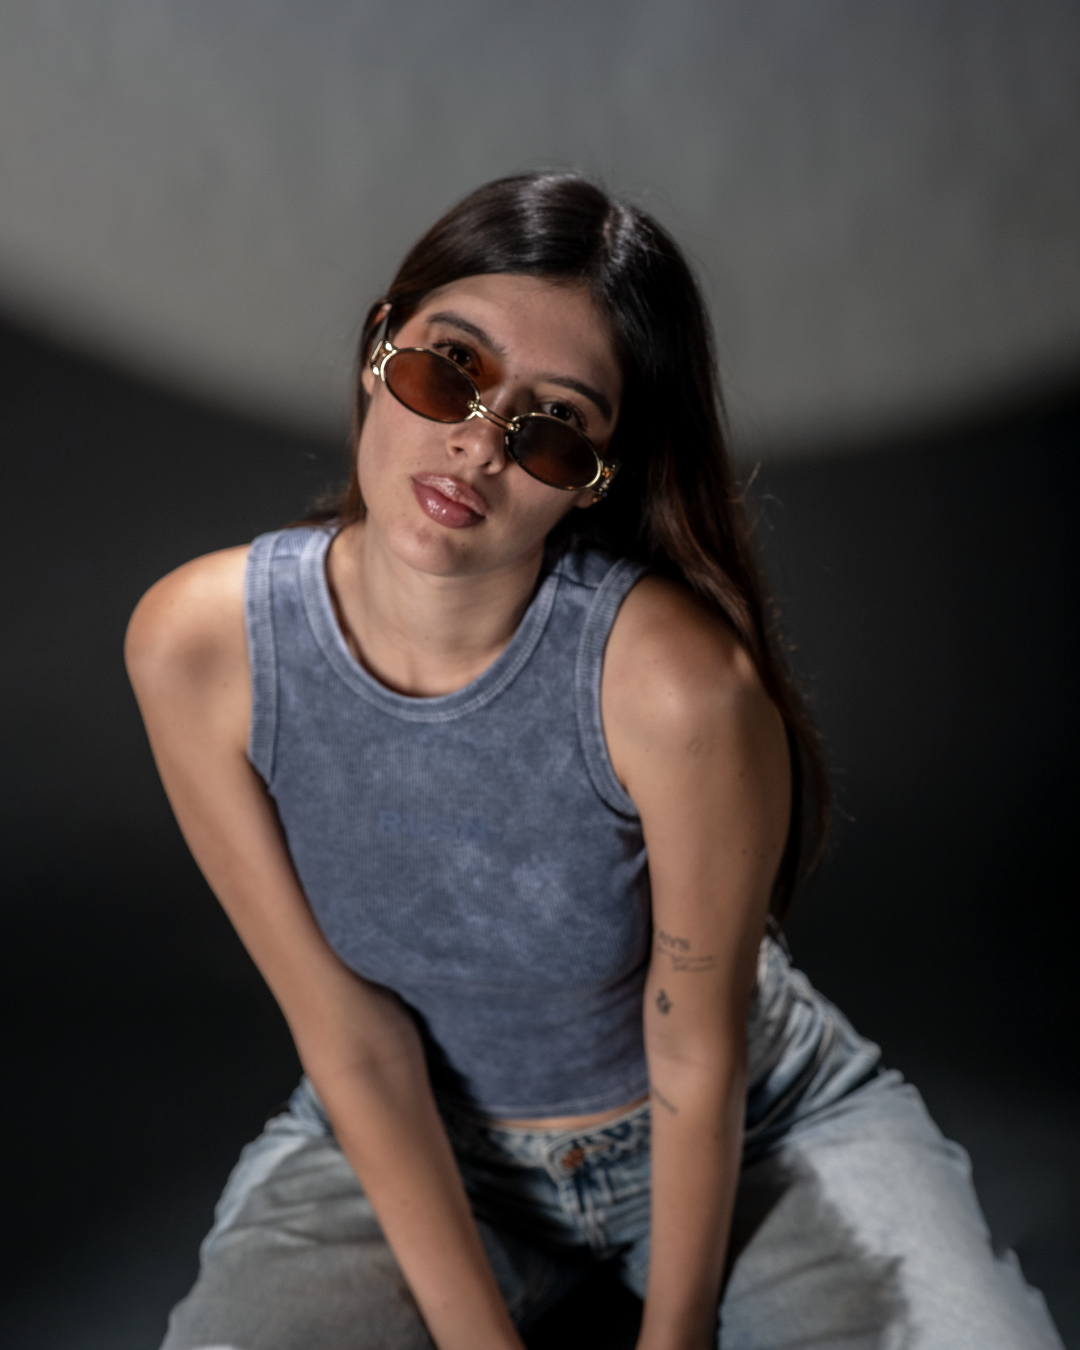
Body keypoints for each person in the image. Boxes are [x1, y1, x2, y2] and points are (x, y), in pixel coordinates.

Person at [126, 173, 1063, 1350]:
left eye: (553, 428)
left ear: (596, 476)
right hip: (412, 1143)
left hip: (753, 1125)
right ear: (377, 348)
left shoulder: (676, 685)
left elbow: (696, 1046)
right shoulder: (201, 646)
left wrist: (673, 1335)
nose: (477, 445)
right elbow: (352, 1039)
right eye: (448, 368)